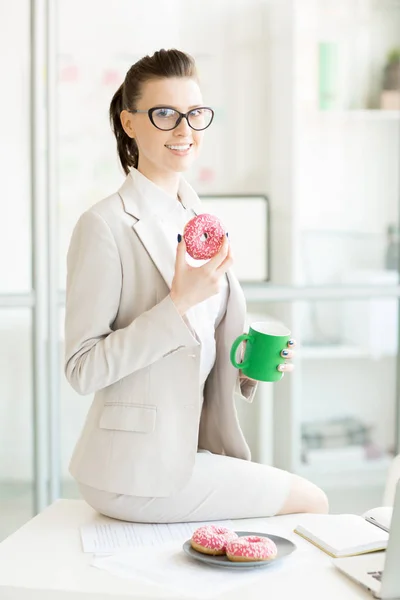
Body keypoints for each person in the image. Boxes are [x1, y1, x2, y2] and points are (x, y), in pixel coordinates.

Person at [64, 48, 328, 523]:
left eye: (195, 114)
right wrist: (177, 305)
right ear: (129, 124)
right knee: (311, 502)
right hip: (131, 469)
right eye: (164, 114)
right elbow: (82, 369)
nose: (184, 130)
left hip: (189, 449)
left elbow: (196, 346)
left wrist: (248, 362)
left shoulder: (200, 219)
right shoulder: (103, 225)